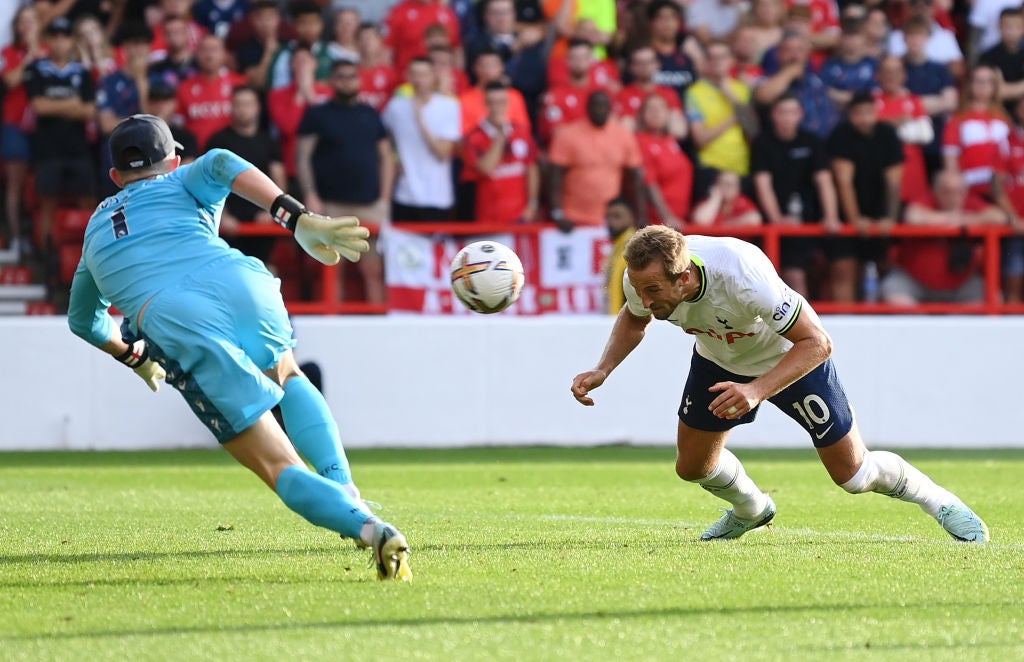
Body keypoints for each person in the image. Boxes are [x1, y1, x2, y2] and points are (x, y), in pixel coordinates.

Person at [67, 113, 412, 581]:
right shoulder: (182, 181)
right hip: (240, 282)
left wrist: (134, 357)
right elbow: (223, 162)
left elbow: (83, 322)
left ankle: (370, 529)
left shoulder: (92, 233)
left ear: (114, 177)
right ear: (173, 160)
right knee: (288, 376)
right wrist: (297, 216)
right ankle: (346, 488)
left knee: (276, 463)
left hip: (174, 318)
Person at [570, 224, 990, 543]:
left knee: (854, 476)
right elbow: (633, 316)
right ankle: (752, 508)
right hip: (719, 362)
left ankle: (939, 501)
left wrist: (755, 390)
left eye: (652, 290)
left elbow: (818, 343)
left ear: (683, 279)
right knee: (692, 467)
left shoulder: (741, 275)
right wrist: (603, 368)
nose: (644, 298)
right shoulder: (641, 276)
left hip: (791, 360)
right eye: (638, 288)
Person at [298, 58, 394, 303]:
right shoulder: (318, 114)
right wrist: (311, 195)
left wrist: (384, 198)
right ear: (331, 81)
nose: (347, 81)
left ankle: (379, 326)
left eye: (352, 76)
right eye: (341, 76)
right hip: (330, 203)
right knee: (330, 269)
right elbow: (303, 157)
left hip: (370, 204)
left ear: (359, 80)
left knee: (373, 270)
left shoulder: (370, 114)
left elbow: (386, 158)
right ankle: (331, 324)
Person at [751, 93, 840, 298]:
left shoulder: (812, 141)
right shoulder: (763, 143)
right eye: (783, 112)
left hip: (806, 219)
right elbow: (763, 183)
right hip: (772, 222)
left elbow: (824, 181)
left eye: (792, 112)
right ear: (774, 115)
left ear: (800, 115)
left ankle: (803, 325)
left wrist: (831, 216)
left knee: (799, 275)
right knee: (768, 277)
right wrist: (777, 220)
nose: (787, 118)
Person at [24, 17, 97, 250]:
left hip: (78, 148)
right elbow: (38, 107)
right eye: (54, 37)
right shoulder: (37, 69)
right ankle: (46, 255)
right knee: (47, 203)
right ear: (47, 40)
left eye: (64, 37)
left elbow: (89, 111)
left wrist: (55, 105)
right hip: (48, 149)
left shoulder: (82, 72)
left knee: (87, 202)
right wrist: (71, 104)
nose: (59, 42)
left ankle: (89, 252)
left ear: (71, 41)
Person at [826, 91, 904, 302]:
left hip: (880, 210)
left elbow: (894, 181)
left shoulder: (887, 134)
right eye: (858, 113)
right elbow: (844, 181)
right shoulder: (840, 135)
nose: (864, 118)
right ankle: (843, 327)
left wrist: (890, 218)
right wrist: (854, 220)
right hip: (846, 214)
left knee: (888, 268)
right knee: (844, 268)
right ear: (850, 114)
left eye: (869, 112)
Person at [882, 169, 1003, 304]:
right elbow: (913, 216)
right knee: (894, 295)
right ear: (936, 190)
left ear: (965, 192)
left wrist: (959, 220)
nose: (953, 197)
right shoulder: (926, 199)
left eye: (958, 191)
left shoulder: (971, 202)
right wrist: (955, 219)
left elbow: (999, 217)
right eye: (946, 191)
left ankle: (955, 324)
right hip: (915, 281)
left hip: (961, 285)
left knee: (994, 298)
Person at [207, 85, 288, 266]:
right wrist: (222, 216)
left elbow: (279, 180)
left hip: (262, 220)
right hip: (229, 223)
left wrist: (271, 210)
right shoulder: (218, 141)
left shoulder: (268, 141)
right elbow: (209, 181)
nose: (243, 109)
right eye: (238, 104)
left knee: (265, 271)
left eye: (248, 104)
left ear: (258, 107)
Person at [548, 89, 646, 232]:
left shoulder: (623, 135)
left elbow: (636, 178)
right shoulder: (568, 134)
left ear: (610, 108)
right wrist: (558, 213)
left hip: (611, 222)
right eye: (596, 106)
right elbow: (554, 178)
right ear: (587, 108)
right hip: (573, 220)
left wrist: (640, 215)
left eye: (604, 106)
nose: (599, 110)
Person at [382, 56, 461, 221]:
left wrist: (420, 119)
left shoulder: (449, 106)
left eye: (424, 74)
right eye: (415, 74)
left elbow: (442, 152)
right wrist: (396, 159)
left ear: (433, 77)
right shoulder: (396, 106)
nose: (419, 80)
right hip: (404, 194)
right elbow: (384, 141)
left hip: (436, 197)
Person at [462, 80, 540, 225]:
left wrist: (532, 204)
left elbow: (531, 168)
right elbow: (486, 168)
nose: (497, 107)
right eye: (492, 102)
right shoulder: (474, 137)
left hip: (520, 216)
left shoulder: (521, 131)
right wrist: (500, 135)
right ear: (485, 104)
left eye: (501, 102)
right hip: (490, 217)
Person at [0, 4, 42, 256]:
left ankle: (37, 239)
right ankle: (16, 236)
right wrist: (30, 56)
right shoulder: (9, 52)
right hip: (15, 125)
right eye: (22, 22)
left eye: (31, 21)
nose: (26, 26)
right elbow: (11, 80)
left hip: (45, 129)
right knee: (14, 183)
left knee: (40, 186)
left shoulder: (50, 50)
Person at [176, 34, 246, 150]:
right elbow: (179, 127)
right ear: (196, 54)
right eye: (204, 50)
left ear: (224, 53)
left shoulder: (239, 84)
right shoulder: (184, 87)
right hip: (197, 156)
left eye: (214, 49)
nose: (209, 55)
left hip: (233, 155)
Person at [691, 170, 763, 227]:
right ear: (716, 185)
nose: (728, 188)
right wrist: (715, 199)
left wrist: (724, 225)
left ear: (738, 188)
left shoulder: (742, 201)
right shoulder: (708, 202)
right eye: (724, 184)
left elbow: (755, 219)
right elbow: (700, 220)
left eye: (732, 185)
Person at [603, 197, 636, 314]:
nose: (611, 222)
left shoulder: (637, 248)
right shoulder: (617, 248)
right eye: (608, 217)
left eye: (617, 216)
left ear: (631, 218)